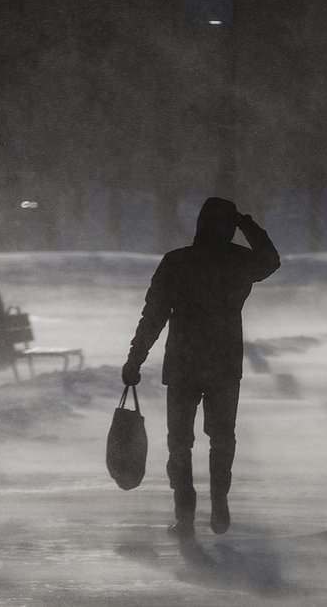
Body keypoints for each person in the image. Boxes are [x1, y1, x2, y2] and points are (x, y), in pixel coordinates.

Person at [122, 197, 280, 538]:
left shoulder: (177, 262)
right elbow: (271, 260)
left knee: (180, 442)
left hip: (183, 363)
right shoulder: (239, 262)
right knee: (222, 437)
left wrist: (135, 358)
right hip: (224, 363)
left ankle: (185, 514)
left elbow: (153, 316)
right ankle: (220, 499)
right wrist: (245, 222)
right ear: (227, 226)